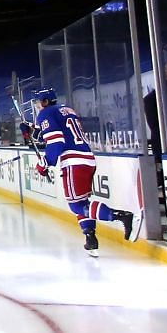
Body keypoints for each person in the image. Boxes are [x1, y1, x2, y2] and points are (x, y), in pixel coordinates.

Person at [31, 87, 136, 256]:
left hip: (73, 162)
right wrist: (36, 131)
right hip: (87, 158)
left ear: (44, 101)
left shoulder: (46, 113)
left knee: (76, 205)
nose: (37, 106)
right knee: (83, 203)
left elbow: (56, 143)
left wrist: (44, 164)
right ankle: (90, 239)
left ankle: (120, 215)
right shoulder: (67, 110)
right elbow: (59, 133)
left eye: (38, 102)